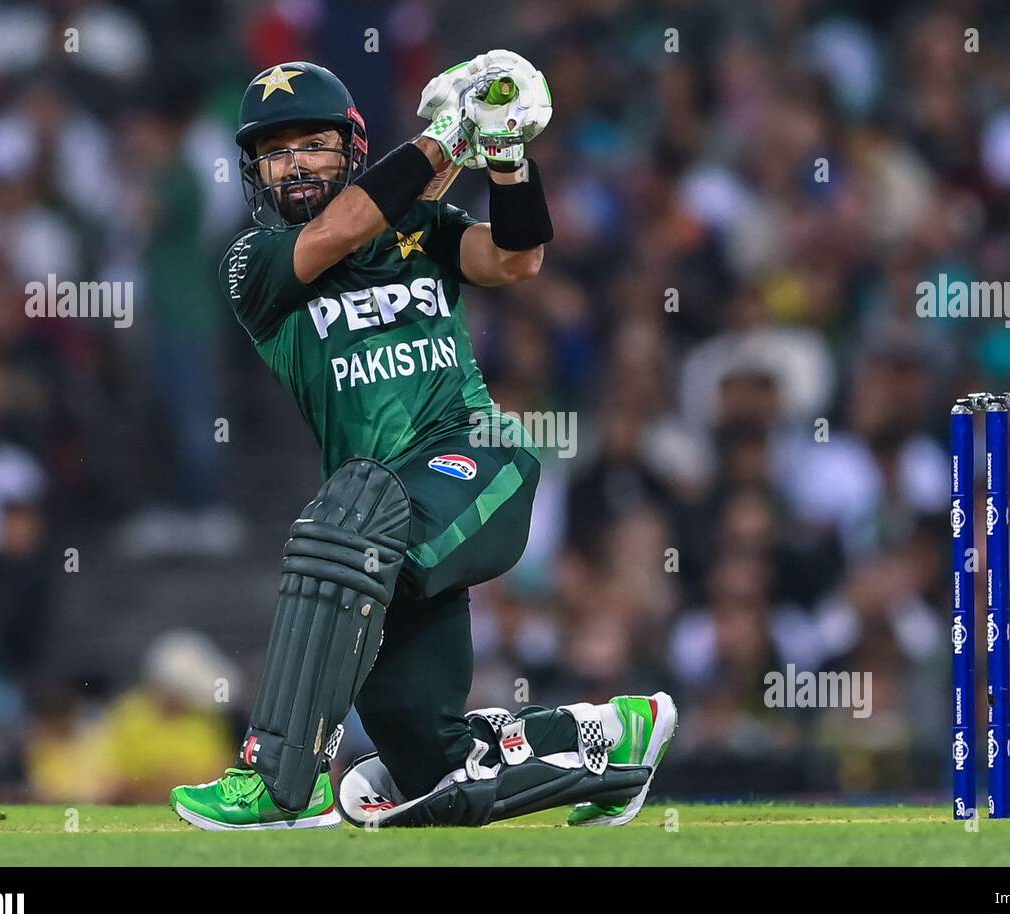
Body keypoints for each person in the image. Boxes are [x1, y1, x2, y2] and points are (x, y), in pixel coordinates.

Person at [169, 53, 675, 830]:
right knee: (428, 764)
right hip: (380, 539)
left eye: (313, 144)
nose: (294, 163)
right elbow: (345, 228)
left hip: (475, 465)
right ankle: (610, 736)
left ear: (354, 150)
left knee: (346, 512)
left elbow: (517, 257)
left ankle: (276, 781)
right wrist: (451, 134)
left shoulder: (425, 228)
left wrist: (505, 158)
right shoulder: (253, 264)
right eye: (275, 151)